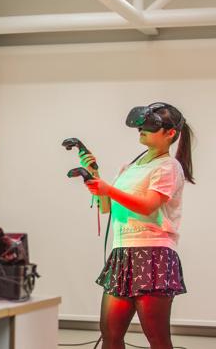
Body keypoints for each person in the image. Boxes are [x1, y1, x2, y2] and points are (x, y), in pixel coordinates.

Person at [80, 102, 193, 349]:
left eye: (150, 126)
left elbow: (147, 206)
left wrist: (108, 189)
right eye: (141, 126)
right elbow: (107, 208)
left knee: (157, 337)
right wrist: (94, 176)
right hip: (122, 252)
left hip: (153, 253)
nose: (141, 130)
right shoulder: (128, 167)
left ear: (170, 133)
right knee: (110, 333)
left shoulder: (169, 167)